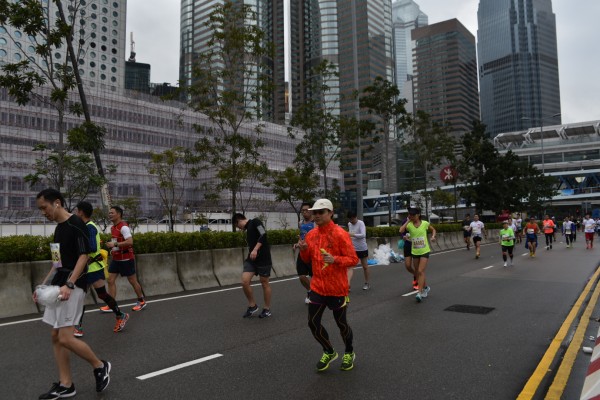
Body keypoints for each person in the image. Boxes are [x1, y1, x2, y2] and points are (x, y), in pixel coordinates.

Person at [34, 189, 111, 399]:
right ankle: (66, 384)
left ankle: (100, 365)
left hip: (73, 286)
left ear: (57, 203)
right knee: (55, 336)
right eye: (40, 209)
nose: (43, 212)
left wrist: (70, 284)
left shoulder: (76, 223)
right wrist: (42, 286)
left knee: (66, 337)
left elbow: (84, 256)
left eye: (44, 207)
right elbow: (56, 262)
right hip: (58, 285)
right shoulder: (58, 229)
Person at [298, 199, 359, 372]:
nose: (317, 215)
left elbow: (353, 259)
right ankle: (329, 351)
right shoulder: (311, 235)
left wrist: (335, 259)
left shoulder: (340, 234)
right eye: (315, 212)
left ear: (330, 213)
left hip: (337, 288)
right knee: (312, 322)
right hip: (318, 286)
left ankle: (349, 352)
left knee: (341, 324)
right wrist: (303, 250)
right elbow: (307, 259)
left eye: (321, 212)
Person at [72, 202, 129, 337]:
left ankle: (120, 315)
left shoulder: (90, 227)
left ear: (81, 212)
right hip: (87, 268)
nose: (75, 213)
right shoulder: (84, 226)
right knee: (85, 296)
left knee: (98, 295)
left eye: (76, 211)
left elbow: (92, 247)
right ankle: (78, 326)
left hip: (92, 267)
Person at [102, 206, 146, 312]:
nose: (110, 215)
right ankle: (112, 304)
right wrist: (113, 247)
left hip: (126, 259)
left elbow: (130, 242)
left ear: (118, 214)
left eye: (112, 213)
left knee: (132, 281)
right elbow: (117, 243)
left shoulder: (124, 227)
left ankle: (141, 301)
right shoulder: (113, 228)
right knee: (110, 280)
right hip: (116, 259)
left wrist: (115, 244)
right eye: (109, 213)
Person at [234, 213, 273, 318]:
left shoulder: (255, 221)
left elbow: (263, 234)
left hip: (263, 258)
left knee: (264, 283)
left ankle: (266, 309)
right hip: (251, 260)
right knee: (244, 281)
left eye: (237, 226)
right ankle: (252, 305)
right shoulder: (247, 229)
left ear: (239, 220)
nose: (238, 228)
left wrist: (255, 249)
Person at [399, 207, 436, 302]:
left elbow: (433, 230)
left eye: (413, 215)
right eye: (410, 215)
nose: (411, 216)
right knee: (418, 272)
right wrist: (408, 221)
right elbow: (401, 231)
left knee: (420, 271)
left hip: (424, 251)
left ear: (418, 215)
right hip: (415, 251)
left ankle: (419, 293)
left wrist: (433, 236)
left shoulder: (425, 223)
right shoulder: (409, 225)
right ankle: (425, 288)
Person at [294, 202, 315, 304]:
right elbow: (301, 237)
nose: (304, 212)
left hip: (313, 253)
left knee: (314, 276)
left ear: (311, 211)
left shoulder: (316, 223)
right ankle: (310, 291)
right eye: (303, 210)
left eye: (307, 210)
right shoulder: (300, 223)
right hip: (302, 252)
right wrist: (297, 243)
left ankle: (317, 293)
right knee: (301, 276)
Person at [347, 210, 370, 290]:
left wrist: (352, 235)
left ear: (355, 217)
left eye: (352, 219)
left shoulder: (361, 223)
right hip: (353, 248)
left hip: (362, 248)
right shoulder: (349, 224)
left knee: (365, 266)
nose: (351, 221)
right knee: (350, 267)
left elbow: (363, 235)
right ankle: (348, 285)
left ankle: (367, 283)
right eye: (350, 219)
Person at [399, 214, 417, 290]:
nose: (411, 214)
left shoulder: (416, 221)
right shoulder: (405, 221)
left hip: (416, 246)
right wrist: (403, 236)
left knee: (416, 265)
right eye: (410, 212)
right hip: (407, 245)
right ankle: (415, 274)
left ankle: (417, 281)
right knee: (408, 266)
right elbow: (401, 231)